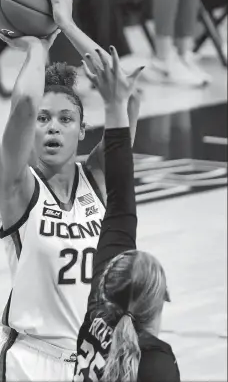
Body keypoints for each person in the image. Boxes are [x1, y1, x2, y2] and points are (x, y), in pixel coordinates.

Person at [0, 0, 142, 382]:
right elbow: (22, 103)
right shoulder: (16, 183)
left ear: (82, 130)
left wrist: (68, 25)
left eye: (66, 118)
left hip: (97, 360)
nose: (53, 127)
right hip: (32, 361)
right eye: (44, 119)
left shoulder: (98, 179)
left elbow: (125, 92)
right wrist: (36, 48)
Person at [74, 50, 180, 382]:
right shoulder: (155, 365)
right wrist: (117, 105)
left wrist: (117, 106)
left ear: (107, 283)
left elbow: (120, 203)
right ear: (161, 299)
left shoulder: (98, 316)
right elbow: (120, 198)